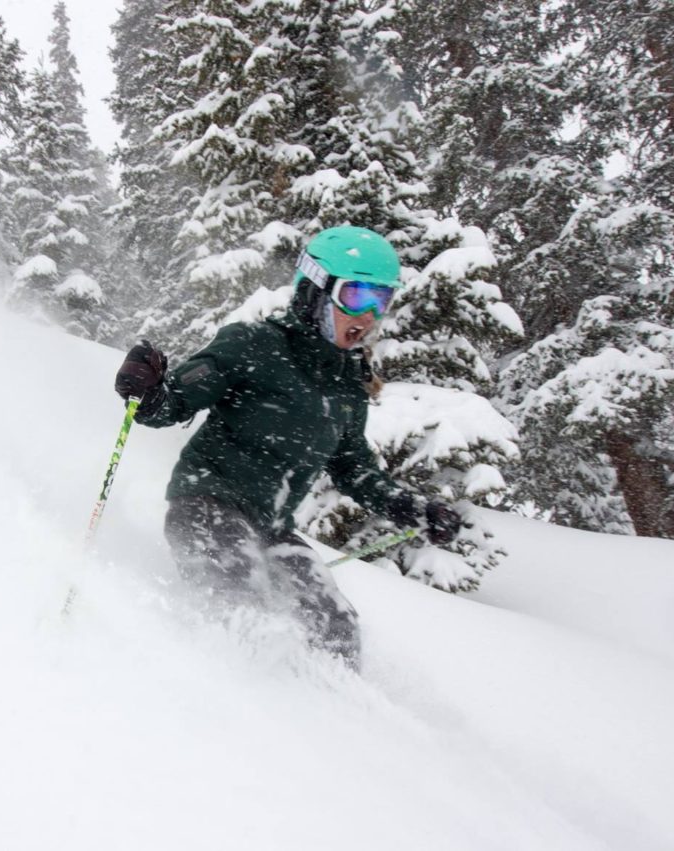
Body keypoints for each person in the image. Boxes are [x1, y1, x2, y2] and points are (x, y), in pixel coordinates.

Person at [113, 226, 463, 670]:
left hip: (272, 529)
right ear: (315, 290)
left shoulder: (346, 387)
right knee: (242, 596)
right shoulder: (253, 345)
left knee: (335, 626)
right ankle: (211, 693)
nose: (370, 315)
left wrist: (414, 509)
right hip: (207, 505)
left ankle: (334, 717)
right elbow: (169, 406)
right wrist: (146, 389)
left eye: (383, 300)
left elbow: (354, 469)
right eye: (357, 296)